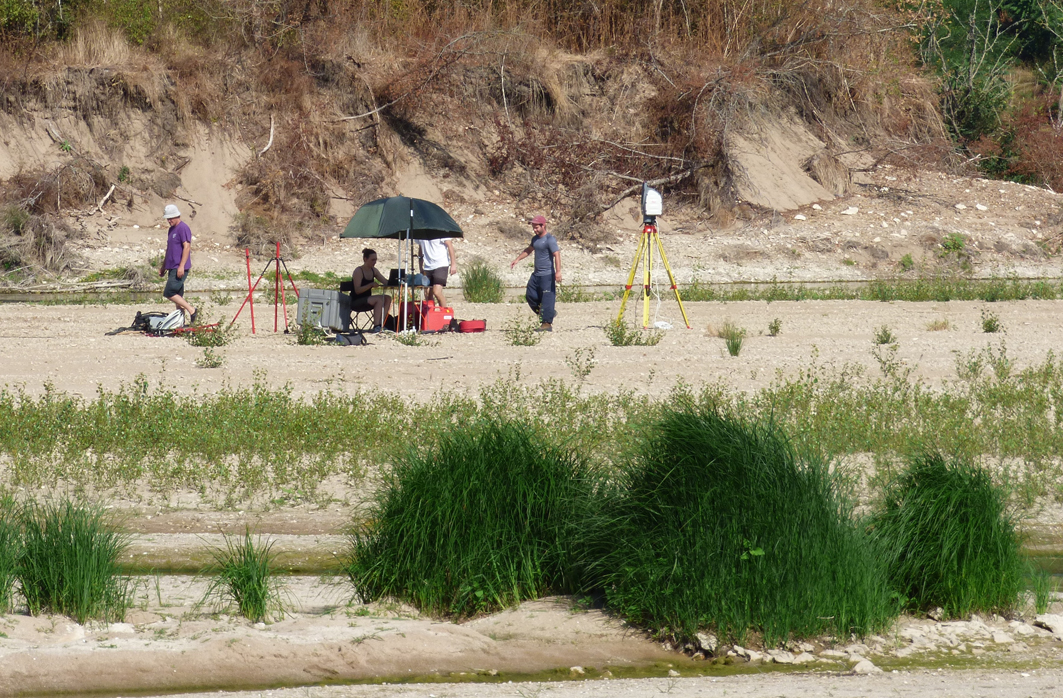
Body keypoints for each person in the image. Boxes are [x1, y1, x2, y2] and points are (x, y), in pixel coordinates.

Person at [510, 215, 561, 332]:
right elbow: (529, 250)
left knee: (547, 298)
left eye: (537, 227)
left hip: (547, 275)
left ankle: (546, 323)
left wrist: (558, 272)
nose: (535, 230)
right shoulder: (535, 239)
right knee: (530, 295)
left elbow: (556, 254)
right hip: (536, 274)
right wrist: (517, 259)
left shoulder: (550, 239)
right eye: (533, 227)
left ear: (543, 225)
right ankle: (548, 313)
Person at [158, 204, 198, 324]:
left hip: (179, 267)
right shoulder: (171, 230)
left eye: (171, 218)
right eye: (167, 218)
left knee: (169, 292)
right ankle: (180, 321)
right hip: (171, 266)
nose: (169, 220)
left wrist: (181, 266)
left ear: (177, 216)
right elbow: (169, 249)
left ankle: (192, 310)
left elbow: (187, 247)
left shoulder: (183, 228)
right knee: (178, 296)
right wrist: (163, 266)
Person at [351, 248, 393, 333]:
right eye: (372, 260)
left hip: (368, 299)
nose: (375, 262)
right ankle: (376, 326)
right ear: (365, 259)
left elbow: (385, 281)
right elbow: (357, 290)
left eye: (376, 260)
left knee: (388, 298)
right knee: (379, 299)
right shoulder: (358, 271)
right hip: (356, 300)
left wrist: (394, 281)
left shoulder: (374, 270)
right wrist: (370, 285)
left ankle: (382, 323)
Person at [417, 236, 457, 307]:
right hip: (427, 266)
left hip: (441, 264)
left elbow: (449, 245)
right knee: (427, 293)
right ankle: (431, 314)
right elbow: (421, 249)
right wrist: (420, 267)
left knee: (437, 292)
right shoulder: (421, 233)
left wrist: (453, 264)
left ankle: (445, 313)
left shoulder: (440, 231)